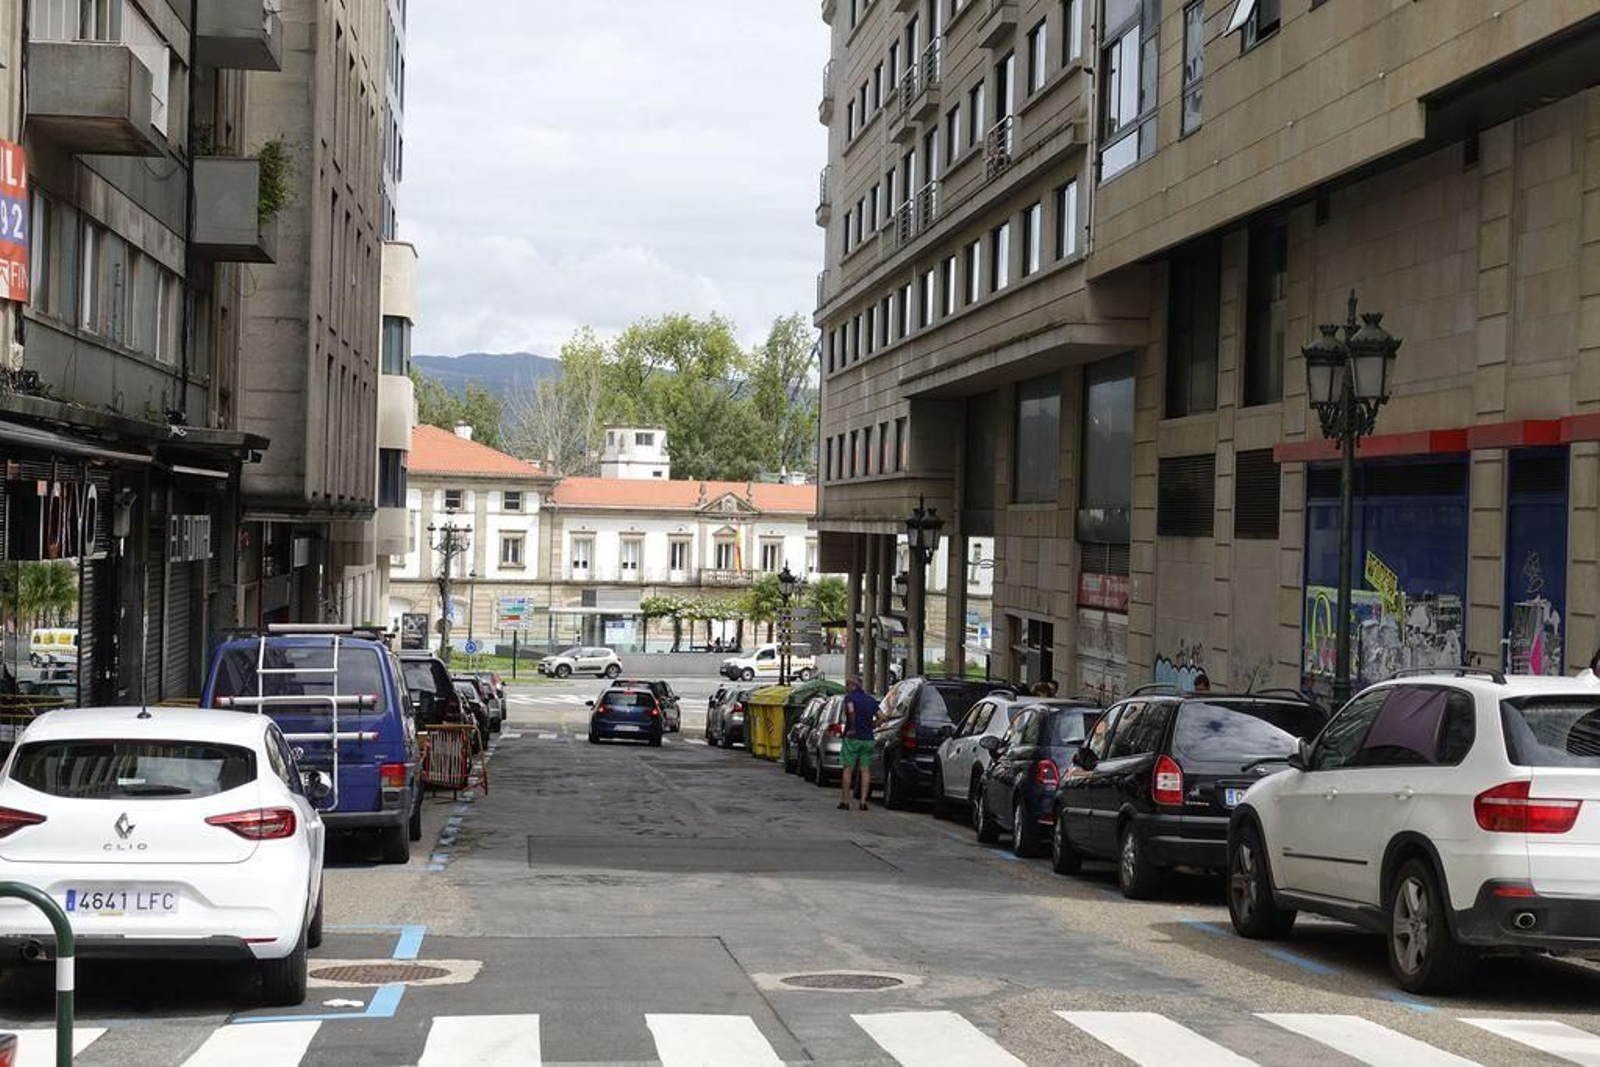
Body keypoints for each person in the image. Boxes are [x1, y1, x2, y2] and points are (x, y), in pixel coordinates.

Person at [839, 675, 879, 812]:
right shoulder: (871, 701)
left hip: (853, 738)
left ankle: (845, 801)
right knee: (865, 770)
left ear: (853, 686)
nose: (846, 688)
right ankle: (863, 802)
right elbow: (883, 717)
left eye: (847, 685)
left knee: (848, 769)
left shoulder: (850, 698)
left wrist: (852, 727)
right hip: (868, 739)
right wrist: (872, 726)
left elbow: (850, 711)